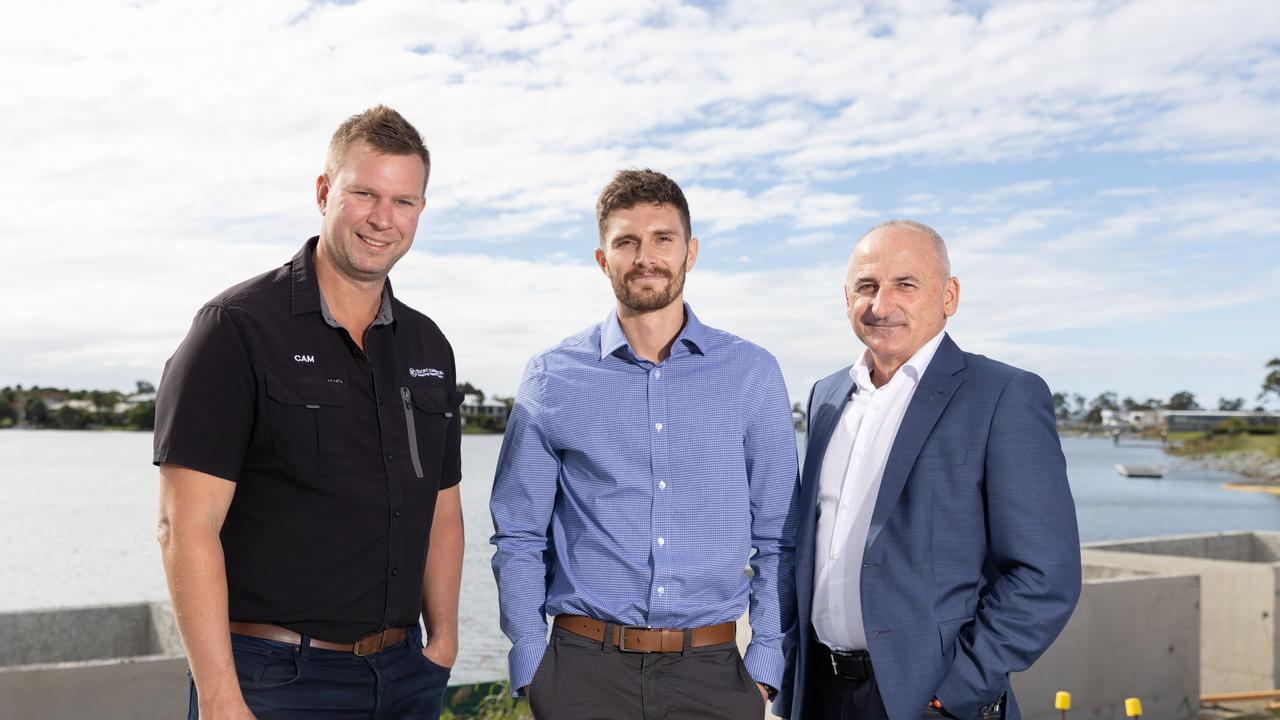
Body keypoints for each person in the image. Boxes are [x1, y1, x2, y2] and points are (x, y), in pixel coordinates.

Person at [154, 105, 464, 720]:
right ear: (325, 192)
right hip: (272, 680)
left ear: (420, 212)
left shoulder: (429, 346)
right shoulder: (235, 329)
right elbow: (183, 527)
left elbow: (443, 509)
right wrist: (219, 698)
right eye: (364, 193)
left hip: (404, 677)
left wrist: (445, 643)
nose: (383, 218)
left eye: (404, 201)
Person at [490, 168, 799, 719]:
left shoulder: (751, 374)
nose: (646, 257)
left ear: (691, 251)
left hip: (714, 676)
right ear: (602, 258)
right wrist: (534, 663)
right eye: (626, 242)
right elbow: (517, 535)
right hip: (582, 671)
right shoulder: (552, 376)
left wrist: (764, 667)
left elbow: (779, 538)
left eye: (663, 239)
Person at [777, 220, 1081, 720]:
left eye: (906, 284)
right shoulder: (826, 397)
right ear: (846, 297)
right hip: (821, 694)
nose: (882, 304)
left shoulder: (1003, 395)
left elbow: (1046, 576)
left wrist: (956, 694)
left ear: (949, 295)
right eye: (866, 287)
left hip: (928, 699)